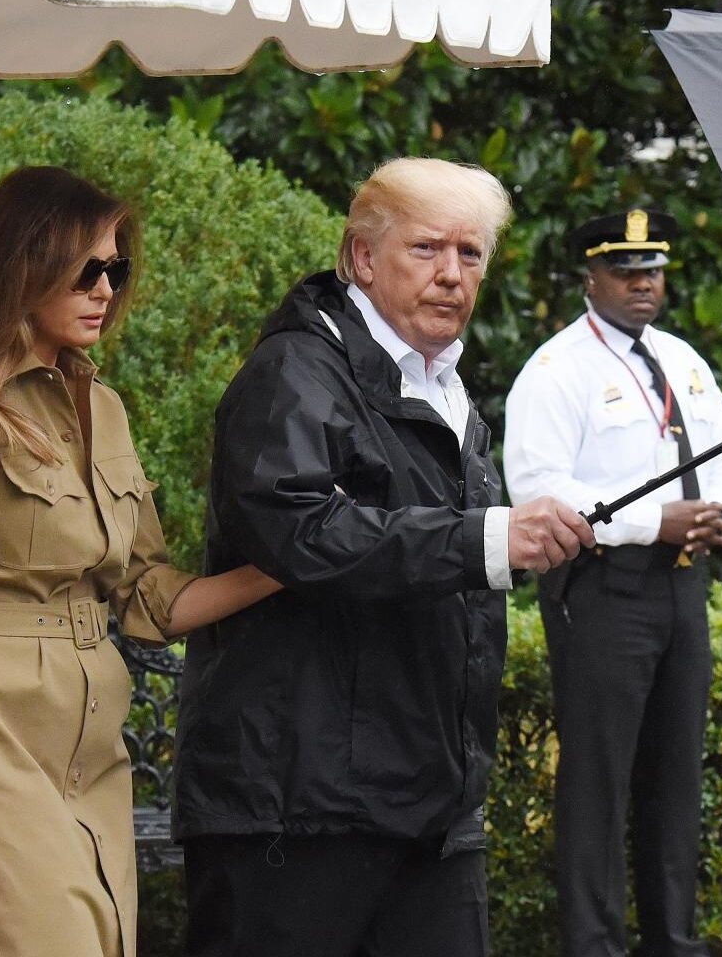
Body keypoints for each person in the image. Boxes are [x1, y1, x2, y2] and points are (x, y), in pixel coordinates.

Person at [178, 157, 596, 957]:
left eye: (470, 254)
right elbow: (296, 534)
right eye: (427, 248)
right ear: (362, 258)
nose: (452, 275)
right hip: (296, 810)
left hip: (430, 809)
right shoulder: (294, 372)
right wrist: (486, 539)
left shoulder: (444, 382)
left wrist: (513, 538)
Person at [0, 165, 281, 957]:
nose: (105, 290)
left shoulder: (105, 407)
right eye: (85, 269)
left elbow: (149, 599)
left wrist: (289, 568)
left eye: (116, 269)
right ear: (23, 263)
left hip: (96, 749)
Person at [503, 207, 722, 957]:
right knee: (599, 783)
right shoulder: (557, 370)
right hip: (603, 588)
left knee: (675, 777)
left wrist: (718, 514)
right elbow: (538, 488)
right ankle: (595, 946)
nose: (643, 284)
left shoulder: (683, 359)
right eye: (625, 270)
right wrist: (653, 522)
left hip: (683, 587)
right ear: (591, 277)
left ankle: (674, 942)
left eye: (654, 270)